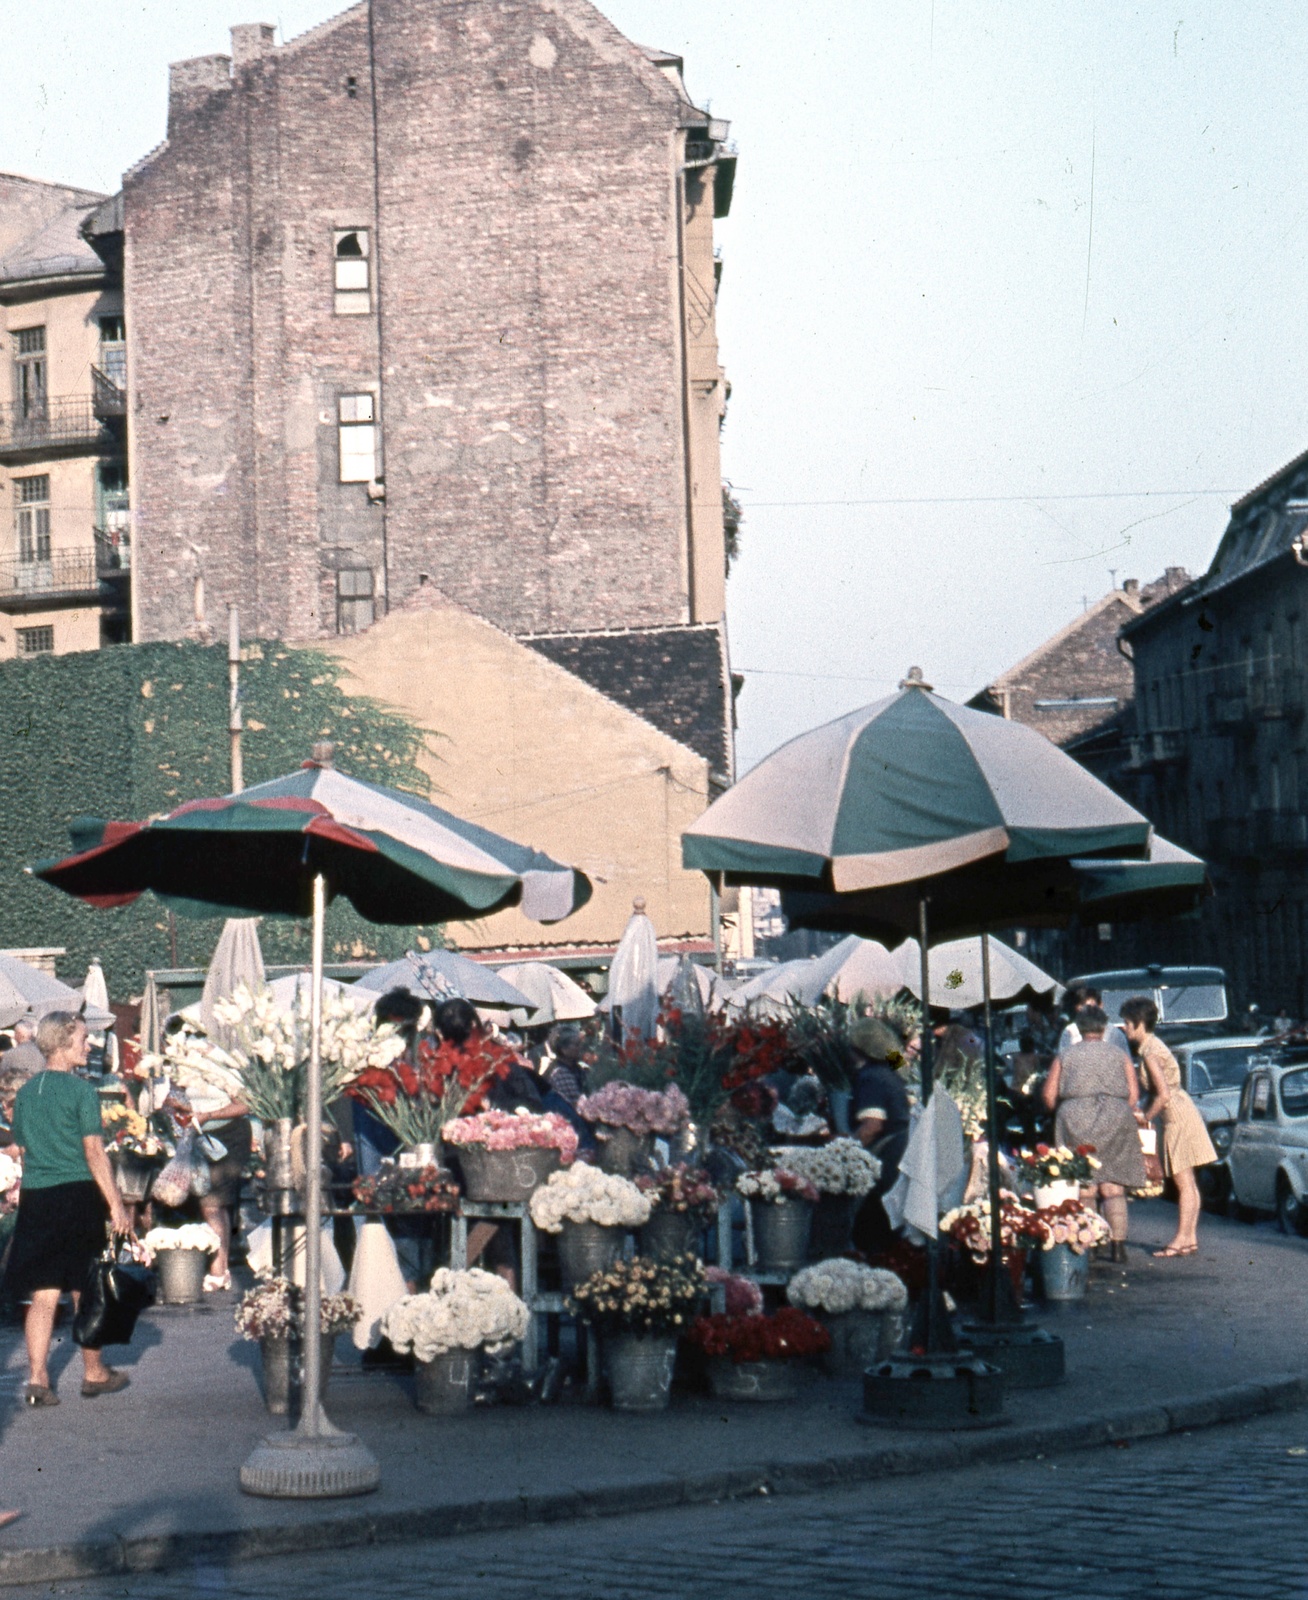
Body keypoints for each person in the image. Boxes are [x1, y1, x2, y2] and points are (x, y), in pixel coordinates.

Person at [3, 1011, 131, 1406]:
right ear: (61, 1043)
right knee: (84, 1288)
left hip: (38, 1198)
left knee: (43, 1293)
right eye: (82, 1039)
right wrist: (117, 1204)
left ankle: (38, 1380)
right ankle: (94, 1372)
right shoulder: (81, 1092)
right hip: (77, 1194)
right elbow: (94, 1151)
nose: (88, 1046)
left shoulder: (25, 1094)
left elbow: (21, 1146)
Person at [1042, 1005, 1145, 1264]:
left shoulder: (1065, 1055)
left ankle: (1093, 1241)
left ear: (1078, 1028)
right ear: (1103, 1028)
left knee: (1086, 1187)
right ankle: (1118, 1246)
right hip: (1115, 1116)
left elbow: (1048, 1094)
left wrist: (1063, 1111)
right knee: (1113, 1186)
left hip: (1076, 1117)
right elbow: (1133, 1095)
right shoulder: (1119, 1054)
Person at [1120, 996, 1216, 1258]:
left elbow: (1161, 1095)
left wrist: (1145, 1118)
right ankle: (1190, 1237)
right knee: (1189, 1183)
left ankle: (1179, 1239)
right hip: (1183, 1110)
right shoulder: (1154, 1046)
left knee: (1183, 1182)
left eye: (1128, 1023)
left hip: (1176, 1116)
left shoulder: (1150, 1053)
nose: (1125, 1028)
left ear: (1140, 1024)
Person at [847, 1018, 912, 1257]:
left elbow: (872, 1126)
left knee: (871, 1234)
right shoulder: (892, 1073)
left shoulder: (870, 1077)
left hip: (883, 1165)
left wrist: (844, 1150)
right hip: (899, 1161)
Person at [1058, 986, 1130, 1059]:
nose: (1087, 1012)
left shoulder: (1115, 1034)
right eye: (1082, 1008)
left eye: (1090, 1008)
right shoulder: (1070, 1031)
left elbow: (1126, 1062)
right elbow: (1062, 1060)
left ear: (1100, 1006)